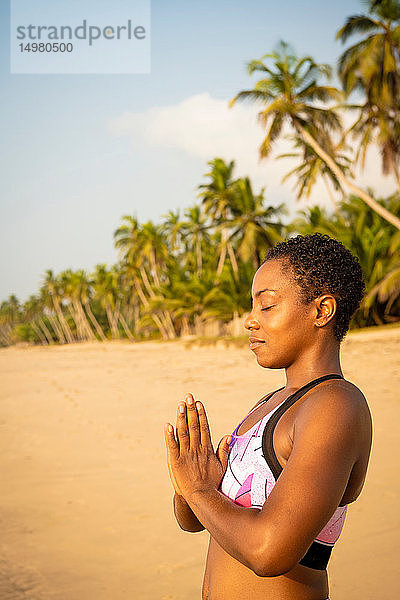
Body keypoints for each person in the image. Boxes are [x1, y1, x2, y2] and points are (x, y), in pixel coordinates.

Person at [164, 233, 373, 600]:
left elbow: (268, 552)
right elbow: (195, 521)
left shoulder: (335, 405)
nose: (250, 320)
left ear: (322, 311)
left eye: (268, 306)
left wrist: (198, 490)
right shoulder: (271, 403)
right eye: (252, 306)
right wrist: (193, 486)